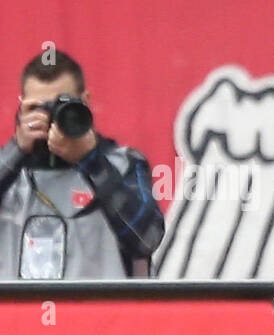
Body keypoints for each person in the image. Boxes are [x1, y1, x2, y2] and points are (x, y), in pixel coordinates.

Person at [0, 51, 163, 279]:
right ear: (22, 108)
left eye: (61, 105)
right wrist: (17, 149)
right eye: (39, 108)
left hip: (100, 312)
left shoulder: (122, 163)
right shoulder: (9, 171)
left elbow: (148, 239)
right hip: (14, 313)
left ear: (85, 101)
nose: (51, 117)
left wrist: (91, 160)